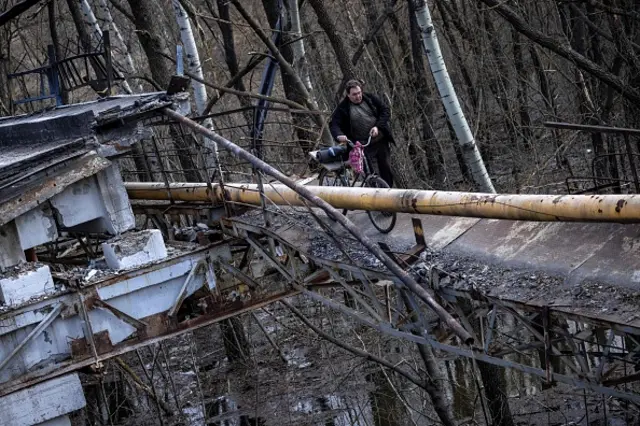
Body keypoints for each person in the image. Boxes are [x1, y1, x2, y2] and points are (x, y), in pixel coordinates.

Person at [330, 79, 395, 187]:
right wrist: (339, 135)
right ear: (348, 95)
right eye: (354, 94)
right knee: (370, 173)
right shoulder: (343, 108)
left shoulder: (370, 98)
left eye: (359, 93)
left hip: (380, 141)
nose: (358, 96)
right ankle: (374, 194)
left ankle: (389, 193)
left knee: (386, 168)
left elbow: (385, 110)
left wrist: (377, 127)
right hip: (362, 145)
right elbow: (334, 125)